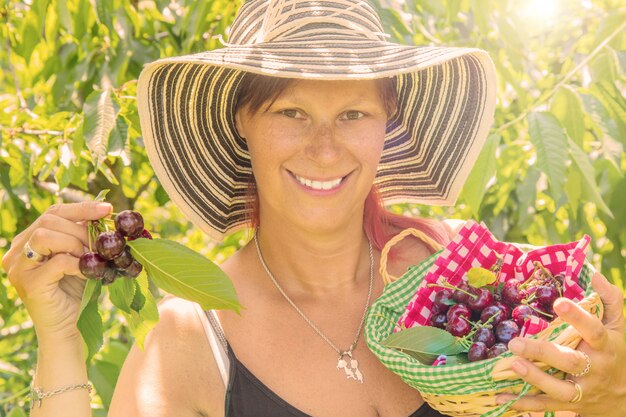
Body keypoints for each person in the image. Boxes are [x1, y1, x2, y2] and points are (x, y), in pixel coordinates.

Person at [2, 0, 625, 416]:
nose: (324, 149)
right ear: (243, 121)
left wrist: (608, 395)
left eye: (353, 113)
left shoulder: (463, 273)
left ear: (388, 124)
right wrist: (60, 339)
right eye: (290, 112)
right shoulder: (189, 339)